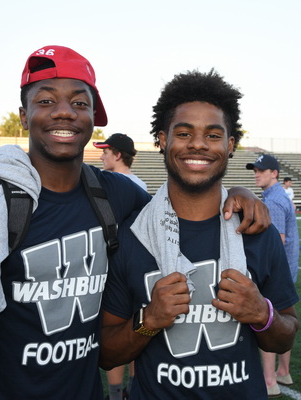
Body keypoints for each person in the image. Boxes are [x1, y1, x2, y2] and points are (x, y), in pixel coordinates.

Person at [0, 46, 270, 400]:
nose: (64, 112)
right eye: (46, 100)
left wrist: (237, 191)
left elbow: (183, 201)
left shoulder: (116, 195)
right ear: (24, 114)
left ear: (94, 118)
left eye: (79, 102)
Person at [100, 70, 299, 399]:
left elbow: (286, 336)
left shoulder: (256, 230)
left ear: (229, 145)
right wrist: (149, 319)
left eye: (212, 135)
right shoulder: (134, 234)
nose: (197, 144)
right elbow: (107, 354)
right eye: (183, 132)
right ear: (163, 139)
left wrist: (262, 314)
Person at [94, 133, 144, 399]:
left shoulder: (117, 186)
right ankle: (132, 390)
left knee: (114, 333)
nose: (102, 156)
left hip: (114, 274)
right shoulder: (140, 184)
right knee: (136, 331)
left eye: (105, 151)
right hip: (134, 275)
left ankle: (115, 394)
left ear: (118, 154)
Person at [246, 154, 299, 397]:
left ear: (274, 173)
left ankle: (269, 381)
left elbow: (275, 242)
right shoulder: (277, 196)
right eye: (255, 170)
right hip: (287, 270)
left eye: (262, 170)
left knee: (266, 321)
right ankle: (283, 372)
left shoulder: (274, 201)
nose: (257, 173)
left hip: (276, 273)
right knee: (284, 320)